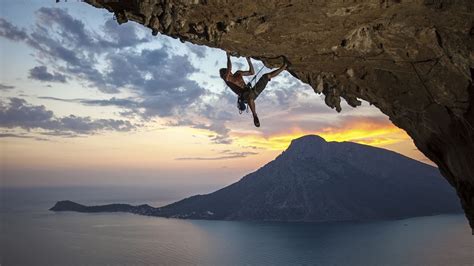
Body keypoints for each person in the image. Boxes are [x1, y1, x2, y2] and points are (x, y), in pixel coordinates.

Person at [219, 52, 287, 127]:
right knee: (249, 97)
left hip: (252, 91)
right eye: (223, 76)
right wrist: (228, 57)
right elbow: (229, 68)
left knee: (266, 76)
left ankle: (284, 66)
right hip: (245, 96)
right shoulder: (228, 80)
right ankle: (254, 115)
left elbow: (252, 72)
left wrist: (249, 60)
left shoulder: (238, 73)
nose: (224, 77)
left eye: (223, 74)